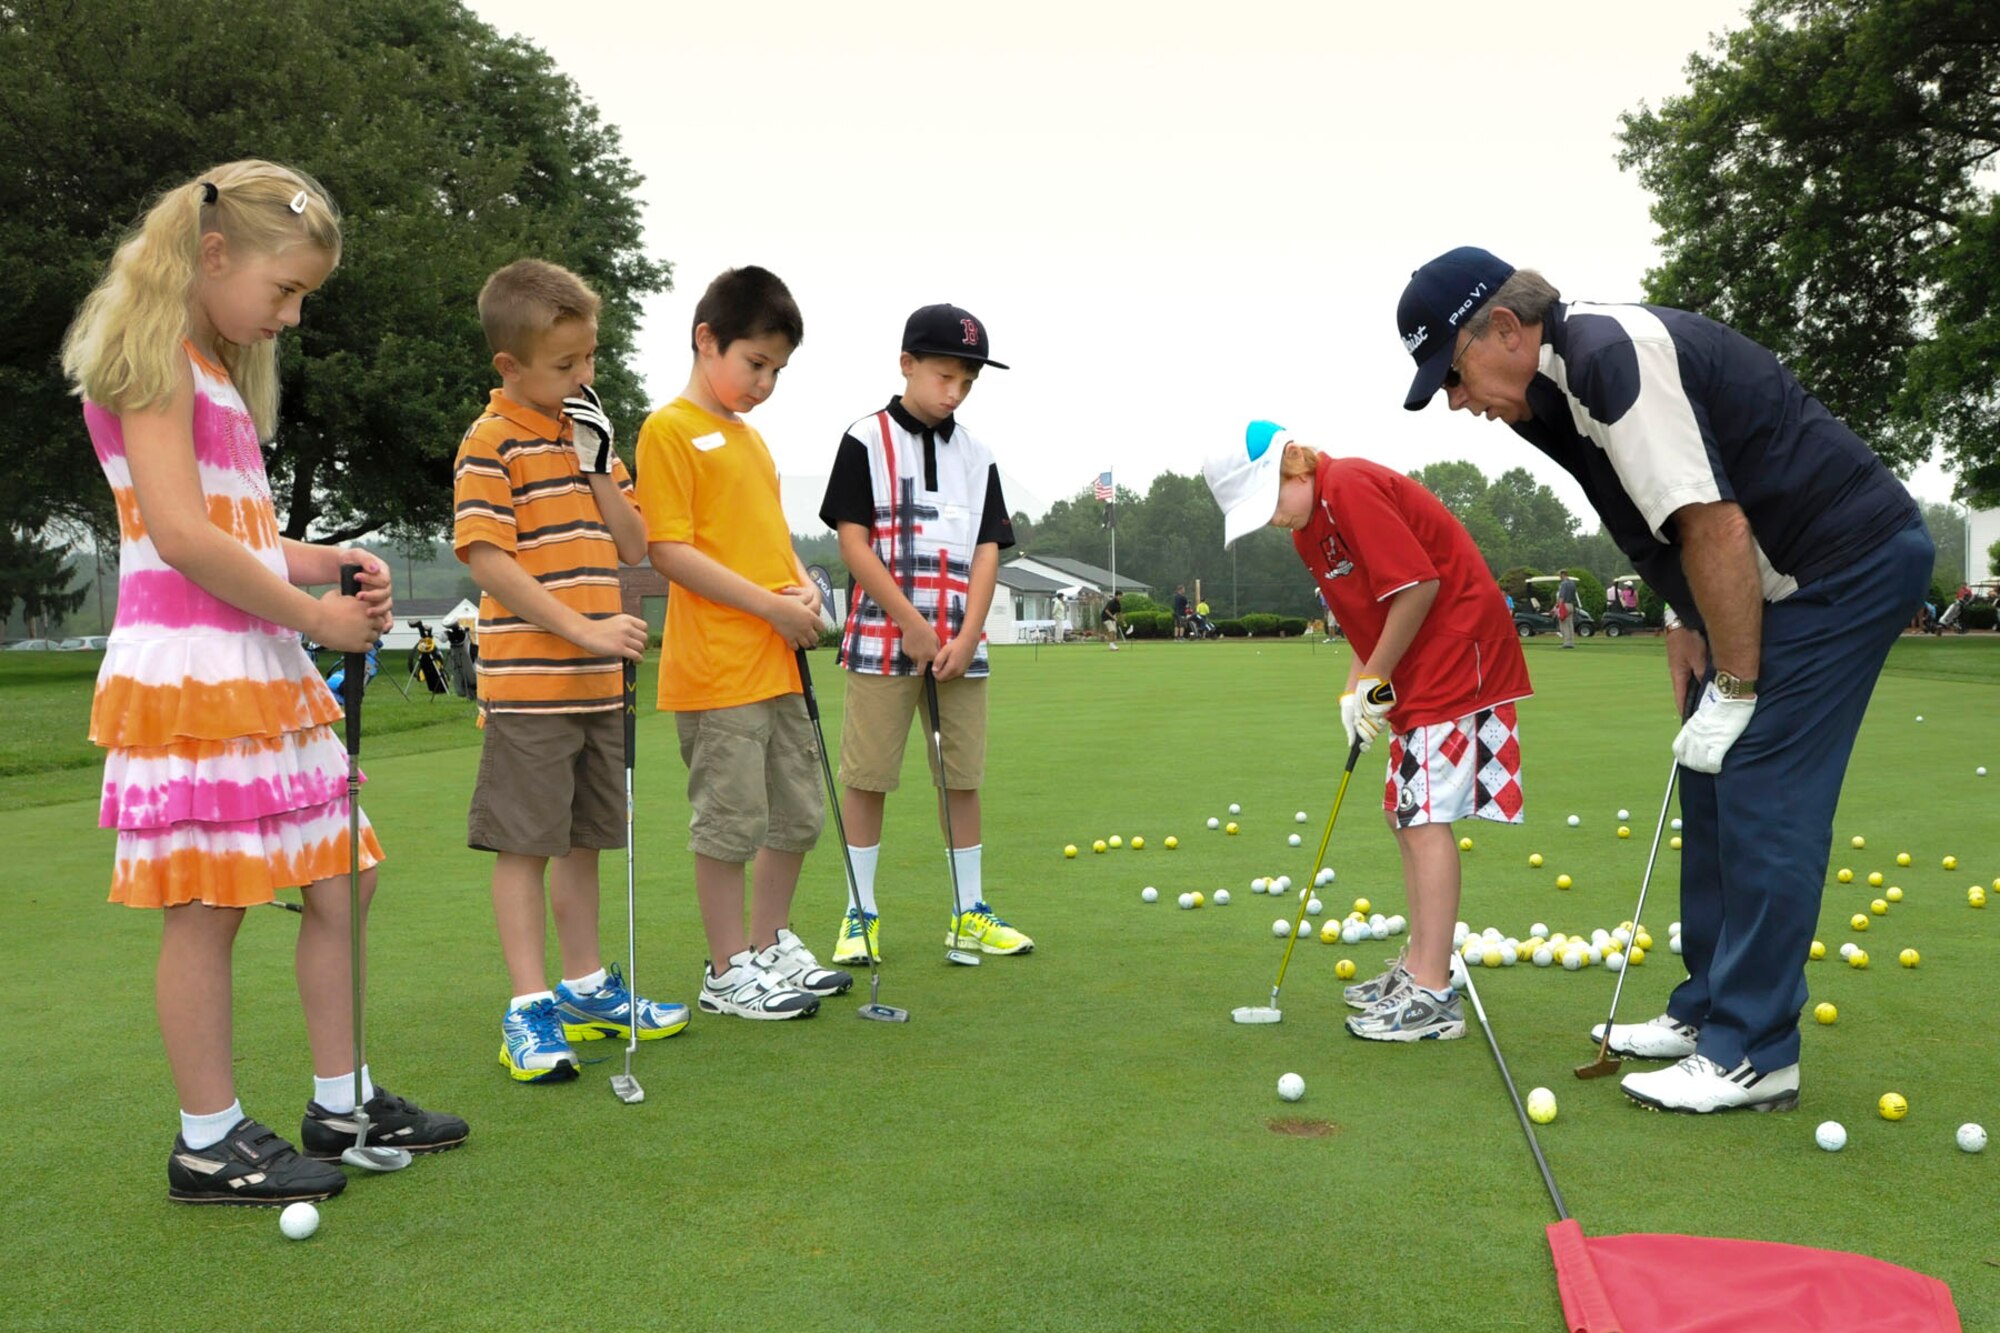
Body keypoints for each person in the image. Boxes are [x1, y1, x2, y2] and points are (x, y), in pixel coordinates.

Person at [1399, 246, 1931, 1110]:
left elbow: (1714, 524)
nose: (1459, 403)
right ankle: (1710, 1009)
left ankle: (1755, 1051)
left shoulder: (1611, 358)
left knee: (1762, 775)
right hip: (1764, 579)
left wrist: (1740, 682)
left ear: (1505, 328)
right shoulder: (1548, 400)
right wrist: (1686, 622)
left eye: (1453, 374)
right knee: (1707, 764)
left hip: (1846, 563)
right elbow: (1657, 521)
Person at [62, 160, 466, 1204]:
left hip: (256, 661)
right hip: (194, 672)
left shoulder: (214, 368)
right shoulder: (146, 360)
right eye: (284, 290)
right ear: (211, 256)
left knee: (342, 874)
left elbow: (239, 532)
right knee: (207, 904)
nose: (290, 315)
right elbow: (184, 539)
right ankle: (208, 1138)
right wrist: (318, 617)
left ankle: (341, 1100)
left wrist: (321, 559)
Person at [1203, 421, 1532, 1041]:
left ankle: (1432, 994)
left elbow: (1419, 586)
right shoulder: (1310, 529)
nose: (1271, 518)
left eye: (1270, 499)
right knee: (1403, 812)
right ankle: (1417, 965)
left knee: (1423, 815)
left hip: (1460, 656)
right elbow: (1368, 614)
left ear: (1295, 466)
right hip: (1422, 665)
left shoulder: (1347, 485)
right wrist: (1355, 691)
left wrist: (1375, 675)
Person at [452, 259, 688, 1082]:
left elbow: (633, 545)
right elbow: (489, 560)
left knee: (586, 842)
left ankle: (585, 985)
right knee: (526, 847)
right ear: (510, 367)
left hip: (597, 688)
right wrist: (583, 629)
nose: (584, 375)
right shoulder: (490, 441)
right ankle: (527, 1007)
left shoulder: (586, 431)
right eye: (566, 364)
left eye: (590, 358)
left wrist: (597, 465)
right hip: (531, 687)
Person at [636, 267, 849, 1018]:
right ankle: (726, 970)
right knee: (730, 824)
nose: (764, 382)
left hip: (777, 660)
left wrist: (807, 588)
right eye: (755, 363)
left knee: (796, 814)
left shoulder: (752, 442)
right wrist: (770, 605)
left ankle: (769, 944)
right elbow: (670, 550)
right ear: (707, 340)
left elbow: (771, 538)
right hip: (718, 667)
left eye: (777, 370)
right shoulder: (669, 430)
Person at [819, 303, 1032, 965]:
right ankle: (861, 914)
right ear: (907, 364)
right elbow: (853, 542)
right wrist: (910, 622)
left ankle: (969, 912)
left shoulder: (977, 453)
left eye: (966, 383)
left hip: (959, 648)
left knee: (961, 777)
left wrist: (968, 634)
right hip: (885, 639)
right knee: (868, 777)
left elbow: (989, 547)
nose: (954, 392)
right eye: (944, 376)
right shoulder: (865, 438)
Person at [1555, 569, 1579, 648]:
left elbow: (1561, 596)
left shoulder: (1563, 584)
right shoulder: (1572, 583)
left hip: (1564, 605)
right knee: (1570, 624)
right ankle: (1571, 641)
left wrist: (1558, 606)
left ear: (1563, 574)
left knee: (1564, 624)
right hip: (1571, 604)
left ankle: (1566, 642)